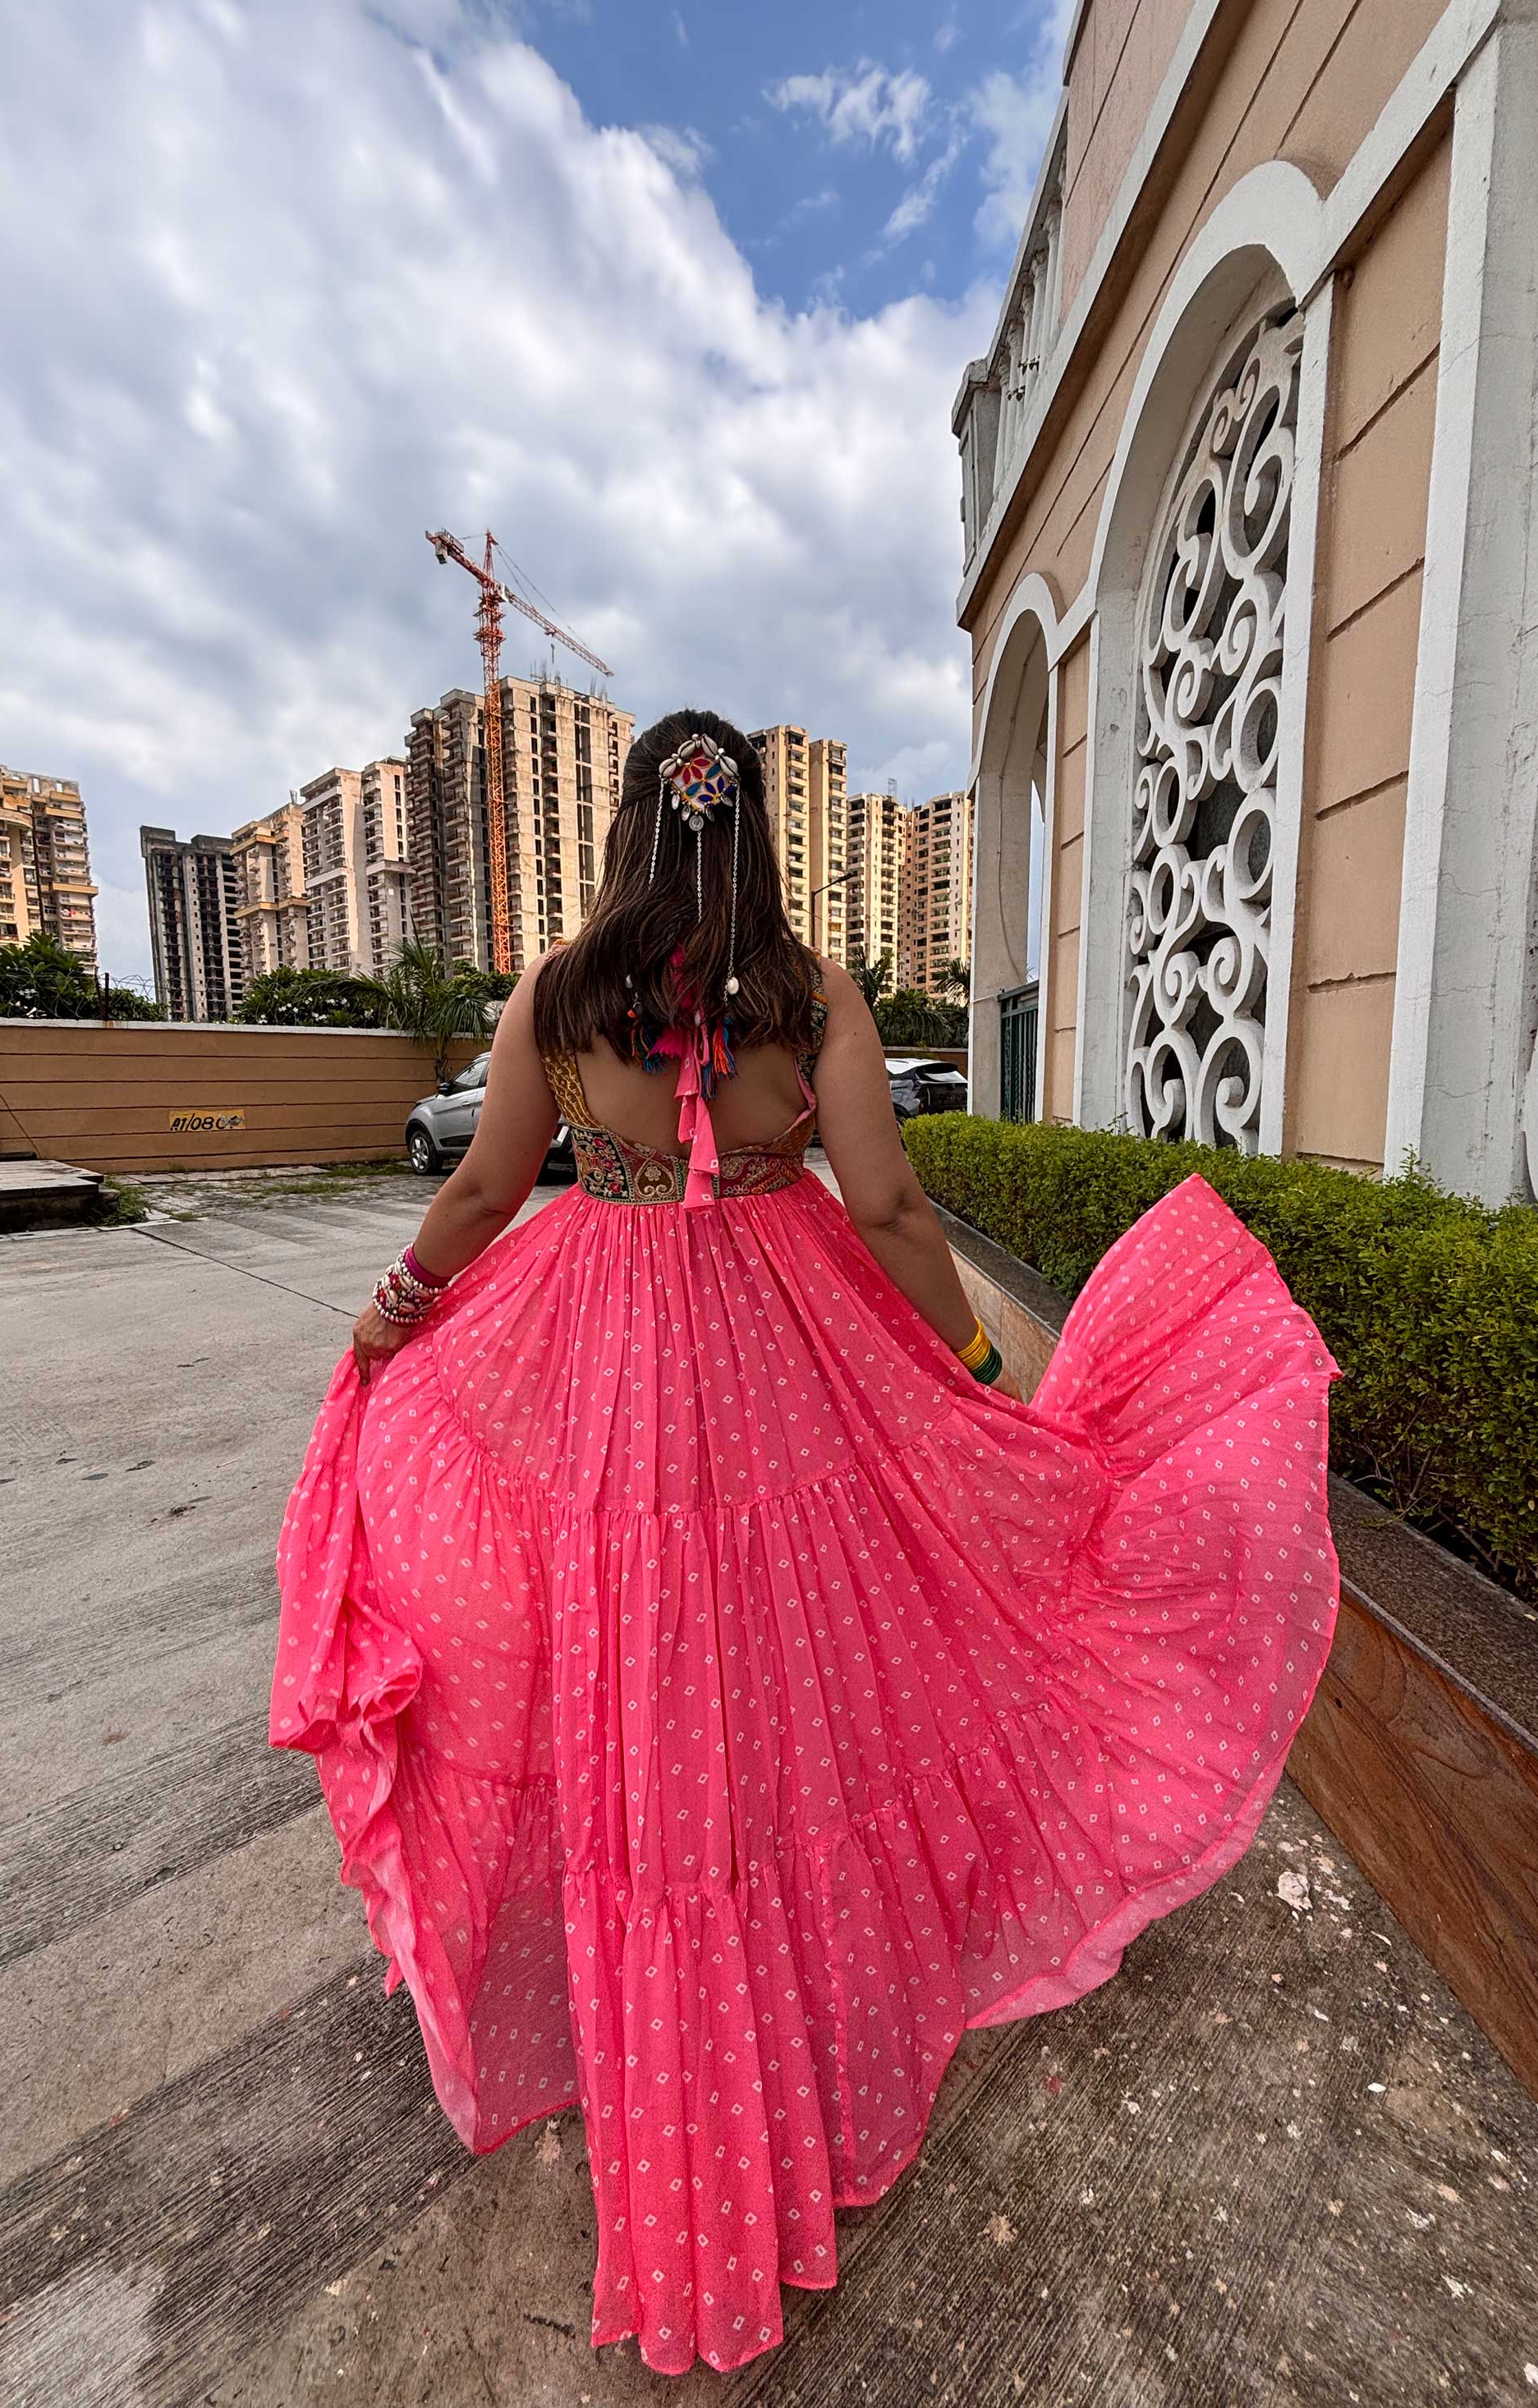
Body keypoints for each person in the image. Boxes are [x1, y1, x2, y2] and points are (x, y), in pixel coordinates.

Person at [271, 709, 1338, 2378]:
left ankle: (676, 2100)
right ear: (754, 827)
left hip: (607, 1357)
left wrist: (389, 1320)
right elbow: (889, 1204)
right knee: (800, 1679)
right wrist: (978, 1377)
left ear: (627, 824)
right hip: (787, 1353)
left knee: (639, 1700)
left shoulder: (557, 992)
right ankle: (796, 2033)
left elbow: (487, 1192)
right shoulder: (810, 990)